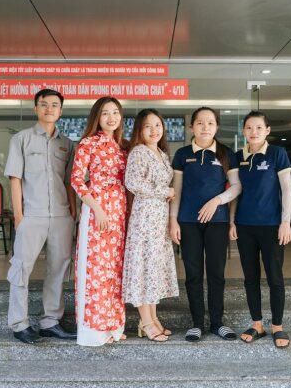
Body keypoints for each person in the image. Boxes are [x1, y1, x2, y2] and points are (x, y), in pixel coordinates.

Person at [4, 88, 77, 345]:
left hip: (61, 216)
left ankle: (50, 322)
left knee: (59, 269)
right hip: (31, 216)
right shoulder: (21, 139)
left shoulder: (67, 144)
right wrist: (19, 216)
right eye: (44, 104)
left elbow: (70, 183)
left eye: (54, 105)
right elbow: (15, 179)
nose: (49, 109)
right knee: (21, 269)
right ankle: (19, 324)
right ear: (35, 108)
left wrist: (73, 214)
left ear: (60, 110)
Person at [170, 106, 241, 342]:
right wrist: (173, 220)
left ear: (217, 127)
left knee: (216, 273)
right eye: (200, 123)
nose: (205, 127)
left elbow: (236, 187)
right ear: (192, 127)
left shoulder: (226, 153)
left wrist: (217, 202)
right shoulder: (182, 154)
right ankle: (197, 323)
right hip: (188, 221)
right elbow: (177, 190)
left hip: (218, 222)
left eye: (210, 123)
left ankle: (217, 323)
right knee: (193, 273)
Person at [229, 110, 291, 349]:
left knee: (275, 278)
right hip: (245, 227)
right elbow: (236, 190)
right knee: (250, 278)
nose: (253, 132)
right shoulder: (238, 156)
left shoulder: (278, 153)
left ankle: (277, 326)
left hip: (272, 227)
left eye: (258, 127)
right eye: (249, 128)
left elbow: (286, 190)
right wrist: (232, 220)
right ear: (243, 131)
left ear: (267, 131)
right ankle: (257, 324)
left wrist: (285, 222)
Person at [71, 96, 128, 346]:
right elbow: (76, 180)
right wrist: (97, 209)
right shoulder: (88, 143)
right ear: (97, 117)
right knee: (95, 270)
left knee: (115, 271)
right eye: (105, 113)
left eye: (115, 112)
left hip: (119, 214)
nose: (111, 117)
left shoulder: (121, 146)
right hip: (98, 214)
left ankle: (113, 326)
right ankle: (94, 329)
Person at [122, 108, 179, 342]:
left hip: (159, 219)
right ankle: (145, 322)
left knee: (153, 269)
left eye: (157, 125)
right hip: (145, 218)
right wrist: (164, 191)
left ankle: (154, 319)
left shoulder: (162, 154)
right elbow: (132, 182)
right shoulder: (138, 152)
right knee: (144, 269)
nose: (154, 130)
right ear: (139, 130)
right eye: (148, 126)